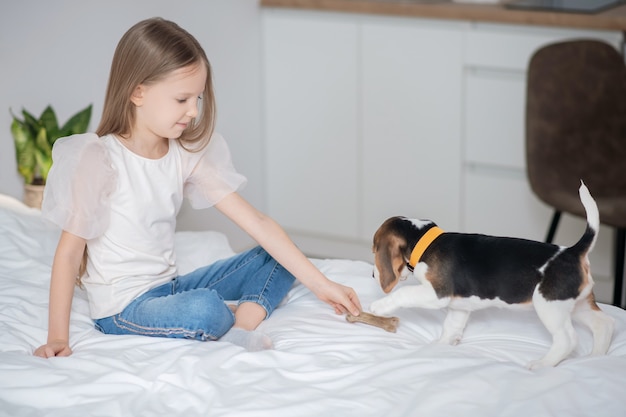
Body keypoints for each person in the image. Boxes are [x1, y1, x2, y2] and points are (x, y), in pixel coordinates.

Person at [34, 17, 361, 358]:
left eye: (198, 99)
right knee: (204, 308)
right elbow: (69, 252)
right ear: (137, 92)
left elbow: (259, 224)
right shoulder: (100, 158)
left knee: (278, 256)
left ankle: (240, 328)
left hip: (170, 288)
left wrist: (323, 285)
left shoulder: (183, 154)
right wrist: (58, 337)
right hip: (123, 307)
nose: (193, 111)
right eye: (182, 99)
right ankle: (230, 315)